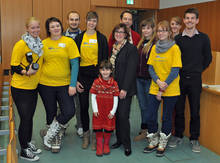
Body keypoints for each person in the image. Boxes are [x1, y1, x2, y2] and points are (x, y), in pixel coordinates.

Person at [168, 8, 212, 153]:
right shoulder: (178, 39)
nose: (189, 21)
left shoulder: (204, 38)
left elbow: (208, 58)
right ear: (184, 20)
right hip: (179, 79)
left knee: (195, 110)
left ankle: (194, 138)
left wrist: (198, 69)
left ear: (197, 20)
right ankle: (178, 135)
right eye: (187, 18)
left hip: (195, 79)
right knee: (179, 109)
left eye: (192, 18)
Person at [38, 17, 80, 153]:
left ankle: (50, 132)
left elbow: (74, 64)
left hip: (64, 84)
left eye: (57, 26)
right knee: (50, 112)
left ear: (61, 27)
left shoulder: (69, 42)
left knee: (69, 111)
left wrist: (73, 84)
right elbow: (38, 64)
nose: (56, 28)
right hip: (45, 84)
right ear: (48, 29)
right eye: (52, 26)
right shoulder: (43, 43)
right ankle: (55, 136)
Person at [143, 20, 182, 157]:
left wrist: (163, 86)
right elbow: (151, 68)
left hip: (170, 88)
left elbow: (175, 71)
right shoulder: (154, 48)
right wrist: (158, 82)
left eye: (164, 30)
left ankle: (163, 142)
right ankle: (153, 139)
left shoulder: (175, 48)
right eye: (159, 31)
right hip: (156, 85)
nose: (161, 33)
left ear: (169, 33)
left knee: (166, 117)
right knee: (150, 115)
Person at [75, 11, 108, 150]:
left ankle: (96, 136)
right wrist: (75, 80)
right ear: (86, 21)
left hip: (96, 76)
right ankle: (86, 135)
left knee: (98, 108)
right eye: (89, 20)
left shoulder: (101, 38)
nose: (91, 23)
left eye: (94, 21)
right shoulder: (79, 37)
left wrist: (103, 78)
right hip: (82, 76)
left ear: (97, 22)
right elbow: (74, 61)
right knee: (83, 107)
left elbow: (105, 60)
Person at [10, 17, 43, 161]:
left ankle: (27, 143)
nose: (36, 30)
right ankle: (23, 151)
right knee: (25, 118)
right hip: (20, 87)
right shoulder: (21, 44)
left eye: (37, 27)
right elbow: (14, 66)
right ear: (27, 29)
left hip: (33, 87)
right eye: (32, 28)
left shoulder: (39, 44)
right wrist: (26, 72)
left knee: (29, 117)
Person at [110, 23, 138, 156]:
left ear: (126, 35)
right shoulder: (114, 48)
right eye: (117, 32)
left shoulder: (131, 48)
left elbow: (131, 70)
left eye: (121, 32)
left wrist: (125, 89)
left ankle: (127, 144)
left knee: (123, 116)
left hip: (124, 89)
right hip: (113, 88)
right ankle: (119, 140)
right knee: (116, 115)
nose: (119, 34)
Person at [90, 60, 119, 156]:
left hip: (109, 111)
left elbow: (116, 98)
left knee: (108, 129)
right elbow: (93, 97)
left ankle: (106, 145)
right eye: (103, 70)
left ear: (111, 71)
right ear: (99, 71)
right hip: (99, 111)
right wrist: (95, 110)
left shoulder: (114, 84)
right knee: (98, 129)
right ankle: (99, 146)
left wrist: (113, 111)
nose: (105, 72)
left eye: (107, 69)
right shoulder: (96, 82)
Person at [133, 18, 156, 142]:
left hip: (150, 80)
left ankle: (152, 131)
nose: (145, 30)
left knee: (150, 106)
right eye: (143, 28)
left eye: (148, 28)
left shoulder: (156, 43)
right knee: (142, 105)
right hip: (139, 79)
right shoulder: (140, 43)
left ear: (153, 29)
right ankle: (144, 129)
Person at [63, 10, 83, 138]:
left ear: (79, 21)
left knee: (79, 104)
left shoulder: (85, 36)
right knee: (63, 103)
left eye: (76, 19)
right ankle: (62, 126)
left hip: (80, 75)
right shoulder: (61, 37)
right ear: (67, 21)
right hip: (63, 75)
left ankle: (80, 126)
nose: (74, 22)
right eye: (71, 19)